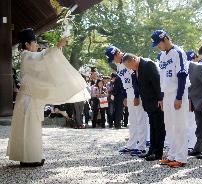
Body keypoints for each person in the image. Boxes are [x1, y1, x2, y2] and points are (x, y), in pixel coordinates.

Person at [6, 28, 90, 167]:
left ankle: (32, 156)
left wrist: (57, 51)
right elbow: (42, 57)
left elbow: (44, 66)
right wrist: (57, 47)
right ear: (27, 44)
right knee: (29, 127)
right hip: (28, 97)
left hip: (32, 96)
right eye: (34, 42)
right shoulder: (26, 55)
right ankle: (28, 158)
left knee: (32, 127)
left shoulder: (29, 57)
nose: (37, 45)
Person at [151, 30, 190, 167]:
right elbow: (162, 78)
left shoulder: (178, 52)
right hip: (166, 94)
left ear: (165, 39)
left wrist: (179, 97)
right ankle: (172, 154)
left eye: (158, 43)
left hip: (177, 93)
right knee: (169, 126)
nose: (158, 46)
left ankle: (181, 158)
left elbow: (182, 75)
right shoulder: (161, 55)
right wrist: (161, 97)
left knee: (179, 125)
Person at [122, 53, 166, 161]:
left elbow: (157, 82)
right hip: (148, 103)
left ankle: (158, 153)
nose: (130, 68)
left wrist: (161, 98)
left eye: (130, 66)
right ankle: (151, 150)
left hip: (156, 102)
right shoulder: (137, 68)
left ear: (133, 59)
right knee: (153, 127)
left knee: (159, 128)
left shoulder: (148, 64)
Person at [105, 46, 148, 156]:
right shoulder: (119, 65)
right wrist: (125, 96)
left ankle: (141, 146)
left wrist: (137, 96)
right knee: (132, 120)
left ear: (116, 53)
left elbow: (136, 79)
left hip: (136, 91)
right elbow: (124, 83)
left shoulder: (129, 59)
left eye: (112, 58)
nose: (113, 60)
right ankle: (132, 144)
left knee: (140, 118)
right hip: (129, 92)